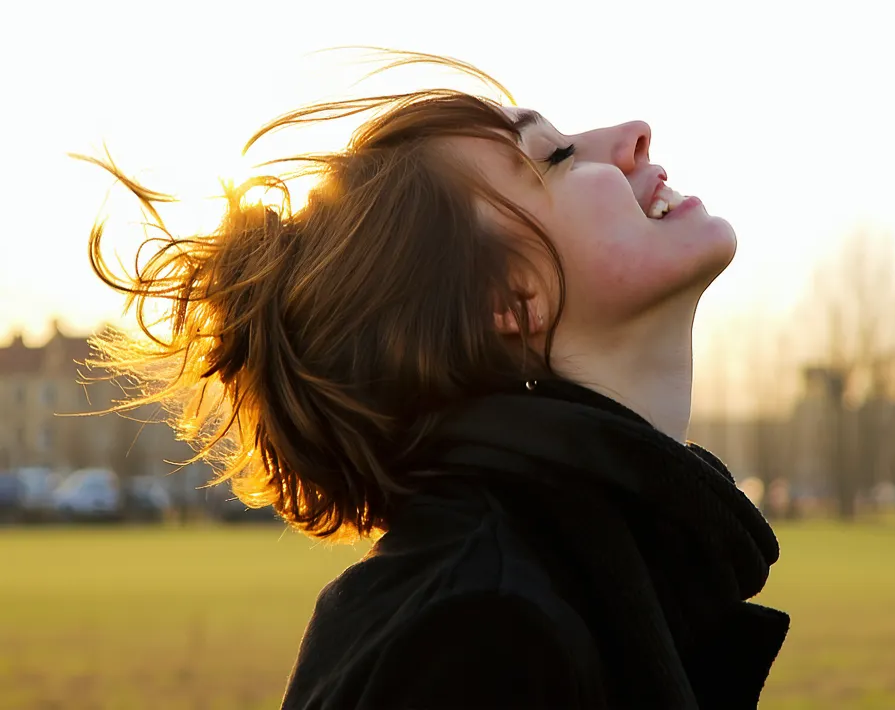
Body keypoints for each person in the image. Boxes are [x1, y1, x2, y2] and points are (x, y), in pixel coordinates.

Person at [80, 52, 789, 709]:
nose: (632, 135)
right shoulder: (477, 634)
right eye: (555, 160)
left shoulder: (578, 580)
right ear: (510, 299)